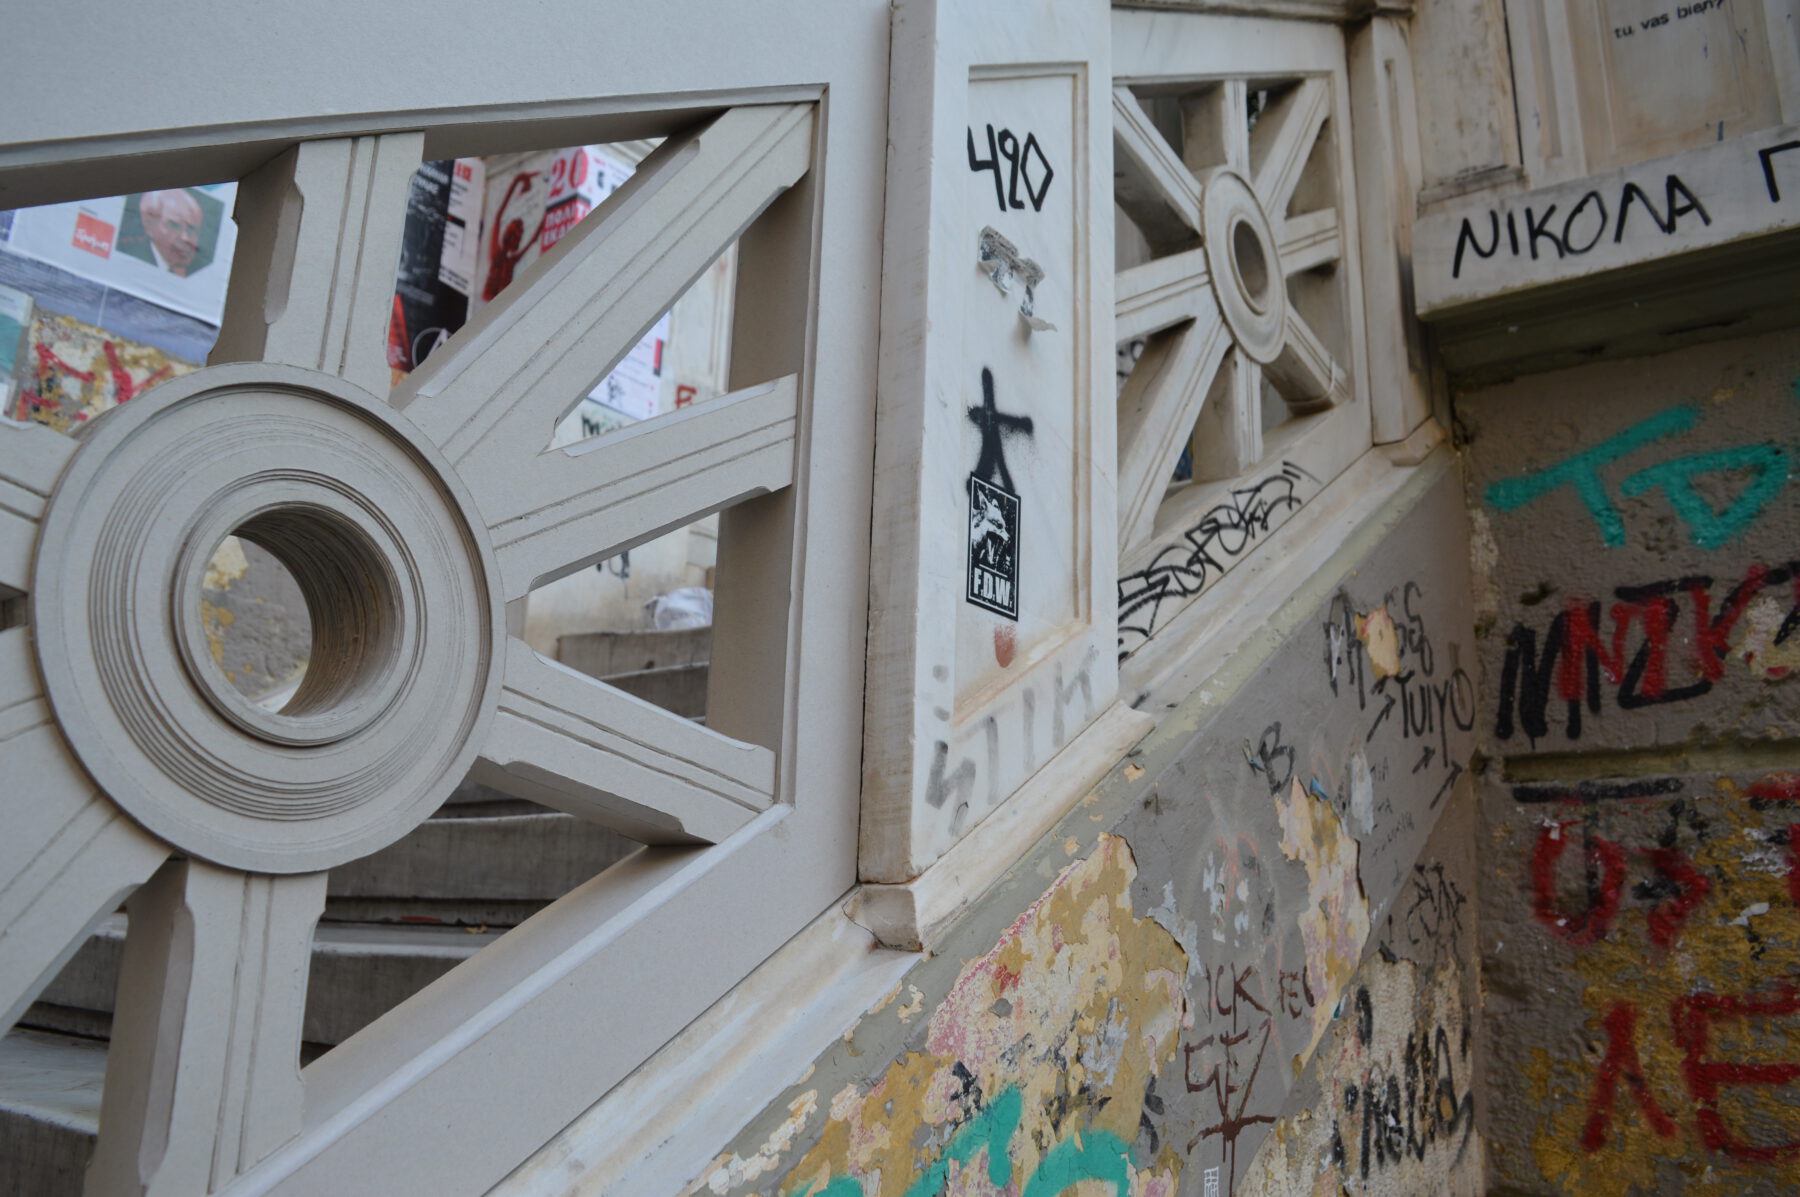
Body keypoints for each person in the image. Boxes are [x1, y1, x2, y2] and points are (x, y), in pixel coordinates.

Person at [133, 189, 205, 276]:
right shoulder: (132, 259)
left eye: (191, 229)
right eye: (174, 225)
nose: (185, 237)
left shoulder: (201, 272)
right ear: (149, 224)